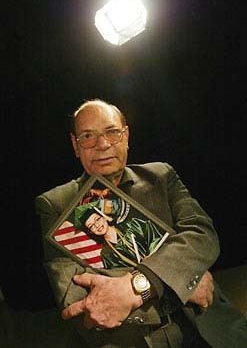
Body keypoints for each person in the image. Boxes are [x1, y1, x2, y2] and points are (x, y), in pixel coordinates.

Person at [36, 99, 247, 348]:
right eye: (88, 136)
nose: (102, 145)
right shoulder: (56, 204)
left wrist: (131, 289)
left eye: (111, 132)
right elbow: (80, 300)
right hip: (131, 339)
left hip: (208, 323)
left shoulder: (161, 175)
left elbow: (201, 235)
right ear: (75, 145)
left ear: (126, 136)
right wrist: (182, 278)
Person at [79, 204, 166, 268]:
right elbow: (119, 274)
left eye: (97, 219)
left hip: (162, 261)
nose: (97, 226)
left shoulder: (132, 225)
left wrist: (151, 256)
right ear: (91, 232)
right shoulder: (106, 254)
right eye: (91, 226)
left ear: (104, 217)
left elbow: (156, 238)